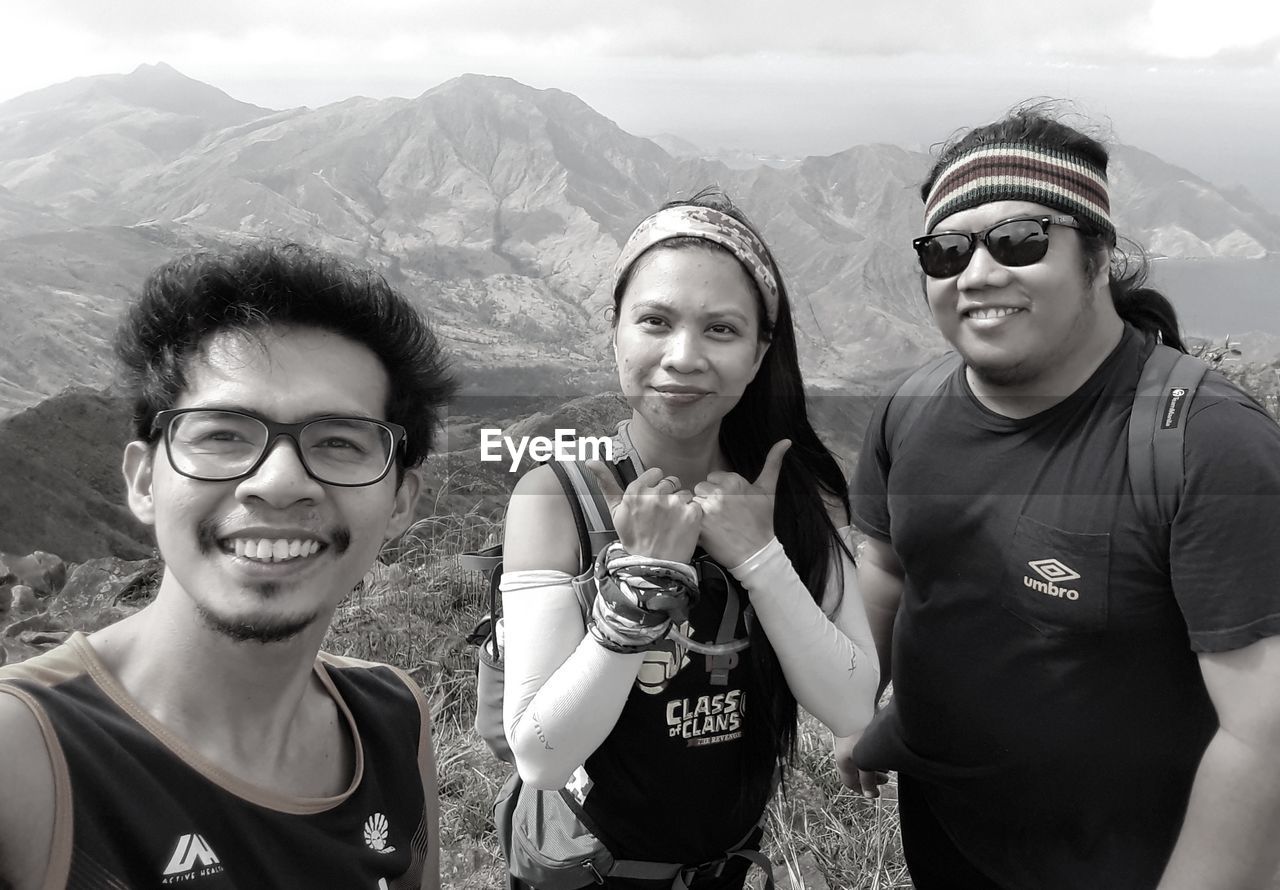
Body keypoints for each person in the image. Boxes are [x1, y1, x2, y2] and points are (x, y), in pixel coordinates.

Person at [836, 106, 1280, 890]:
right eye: (946, 251)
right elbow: (893, 570)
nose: (976, 274)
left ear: (1099, 254)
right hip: (946, 840)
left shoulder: (1205, 443)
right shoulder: (910, 409)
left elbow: (1264, 733)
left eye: (1019, 240)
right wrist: (858, 704)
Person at [0, 243, 455, 889]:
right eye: (222, 434)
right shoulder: (27, 756)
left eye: (338, 443)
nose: (278, 482)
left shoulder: (390, 717)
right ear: (143, 481)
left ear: (401, 500)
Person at [498, 188, 879, 889]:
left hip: (731, 870)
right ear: (614, 329)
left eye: (722, 330)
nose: (684, 356)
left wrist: (760, 557)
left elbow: (852, 703)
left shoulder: (786, 500)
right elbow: (542, 756)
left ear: (762, 352)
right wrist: (643, 580)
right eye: (655, 321)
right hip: (592, 873)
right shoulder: (559, 501)